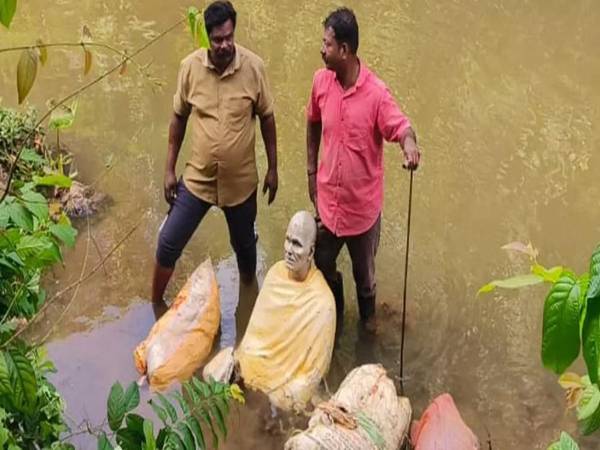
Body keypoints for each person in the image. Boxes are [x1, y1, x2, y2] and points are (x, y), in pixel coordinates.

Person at [151, 1, 278, 316]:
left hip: (241, 183)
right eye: (217, 39)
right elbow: (178, 118)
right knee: (167, 243)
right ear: (207, 37)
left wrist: (273, 169)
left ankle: (247, 310)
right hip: (199, 179)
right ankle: (155, 306)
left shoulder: (254, 68)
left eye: (229, 37)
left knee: (246, 252)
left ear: (234, 32)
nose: (224, 45)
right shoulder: (190, 68)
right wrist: (169, 170)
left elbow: (267, 118)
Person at [306, 7, 421, 332]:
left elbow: (402, 127)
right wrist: (311, 172)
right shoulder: (320, 82)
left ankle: (368, 326)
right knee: (322, 263)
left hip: (362, 213)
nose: (322, 49)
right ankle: (335, 314)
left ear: (344, 50)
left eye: (327, 44)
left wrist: (410, 145)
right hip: (328, 205)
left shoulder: (376, 94)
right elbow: (312, 121)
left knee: (365, 278)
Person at [205, 211, 337, 411]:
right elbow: (253, 338)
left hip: (287, 382)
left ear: (311, 252)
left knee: (284, 402)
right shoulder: (276, 272)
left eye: (297, 244)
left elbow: (313, 373)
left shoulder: (323, 302)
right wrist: (235, 364)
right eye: (288, 240)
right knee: (212, 373)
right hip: (254, 363)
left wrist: (281, 394)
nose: (289, 250)